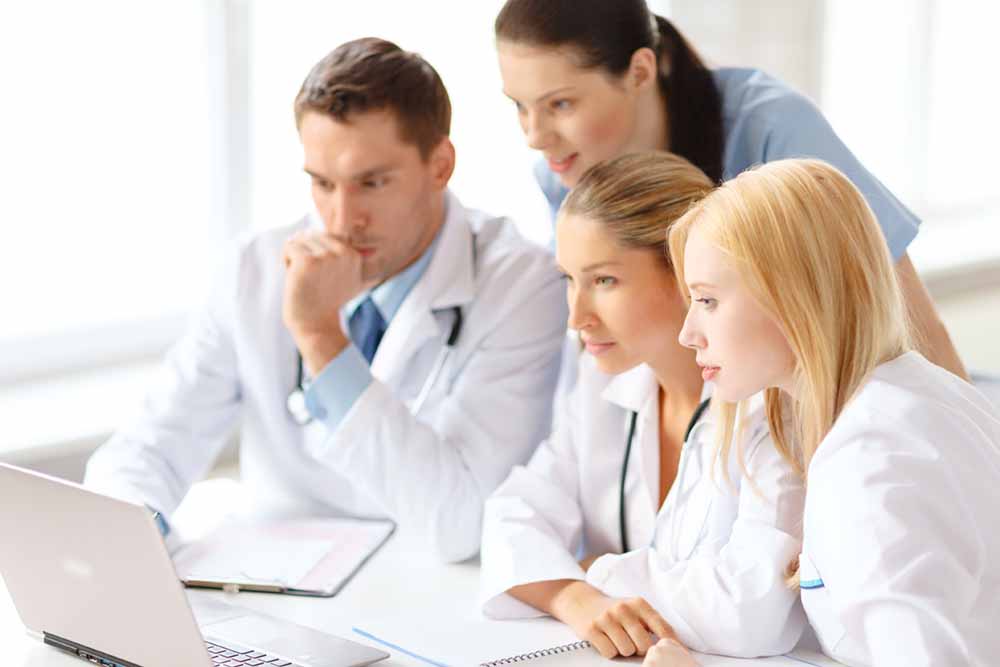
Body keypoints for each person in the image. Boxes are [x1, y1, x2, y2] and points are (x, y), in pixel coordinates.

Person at [85, 38, 568, 563]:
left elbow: (460, 525)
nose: (341, 220)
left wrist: (320, 339)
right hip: (275, 590)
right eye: (322, 183)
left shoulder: (522, 286)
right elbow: (150, 446)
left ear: (440, 165)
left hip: (431, 592)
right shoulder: (256, 268)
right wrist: (132, 539)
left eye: (372, 183)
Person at [492, 0, 967, 381]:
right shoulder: (560, 174)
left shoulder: (770, 129)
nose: (534, 136)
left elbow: (910, 323)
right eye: (519, 106)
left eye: (560, 104)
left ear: (640, 71)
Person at [662, 158, 1000, 666]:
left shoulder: (870, 462)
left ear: (790, 296)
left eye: (708, 300)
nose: (688, 333)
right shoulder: (916, 396)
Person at [479, 152, 805, 659]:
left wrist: (601, 568)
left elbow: (750, 612)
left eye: (604, 281)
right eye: (569, 279)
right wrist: (576, 597)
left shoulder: (772, 401)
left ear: (687, 274)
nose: (576, 316)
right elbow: (514, 513)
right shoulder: (603, 381)